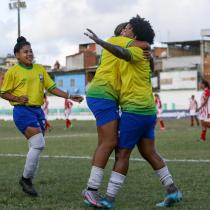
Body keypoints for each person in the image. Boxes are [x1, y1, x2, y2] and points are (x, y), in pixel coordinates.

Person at [85, 15, 182, 209]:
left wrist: (99, 42)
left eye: (128, 28)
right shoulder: (144, 54)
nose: (124, 31)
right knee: (148, 151)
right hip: (148, 111)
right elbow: (139, 56)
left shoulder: (136, 52)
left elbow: (122, 52)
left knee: (122, 153)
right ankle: (173, 191)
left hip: (134, 110)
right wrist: (150, 51)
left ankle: (108, 199)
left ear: (134, 34)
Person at [0, 36, 83, 196]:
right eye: (25, 52)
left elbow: (52, 88)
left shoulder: (39, 69)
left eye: (31, 51)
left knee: (36, 146)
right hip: (22, 111)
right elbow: (3, 93)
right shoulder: (13, 71)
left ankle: (28, 180)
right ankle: (26, 179)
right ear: (17, 55)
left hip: (38, 111)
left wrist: (70, 96)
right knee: (39, 143)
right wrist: (17, 98)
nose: (29, 54)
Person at [82, 22, 150, 207]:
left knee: (105, 142)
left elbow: (140, 52)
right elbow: (144, 44)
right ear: (122, 33)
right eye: (128, 29)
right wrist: (147, 46)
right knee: (110, 142)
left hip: (104, 95)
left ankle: (91, 189)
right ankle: (91, 190)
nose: (130, 32)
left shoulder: (119, 46)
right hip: (103, 94)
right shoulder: (117, 40)